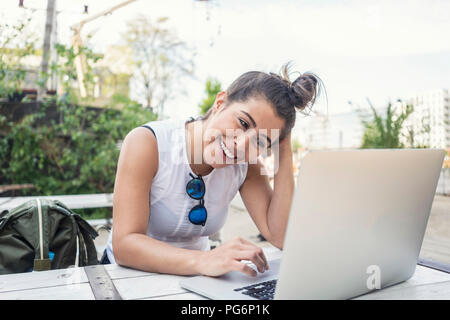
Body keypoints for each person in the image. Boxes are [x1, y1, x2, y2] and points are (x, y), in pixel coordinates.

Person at [102, 62, 322, 278]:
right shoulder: (148, 143)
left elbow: (281, 236)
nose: (241, 144)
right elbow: (125, 245)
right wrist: (205, 259)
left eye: (260, 142)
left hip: (193, 280)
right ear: (220, 102)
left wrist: (284, 147)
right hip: (127, 279)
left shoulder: (247, 164)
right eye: (243, 123)